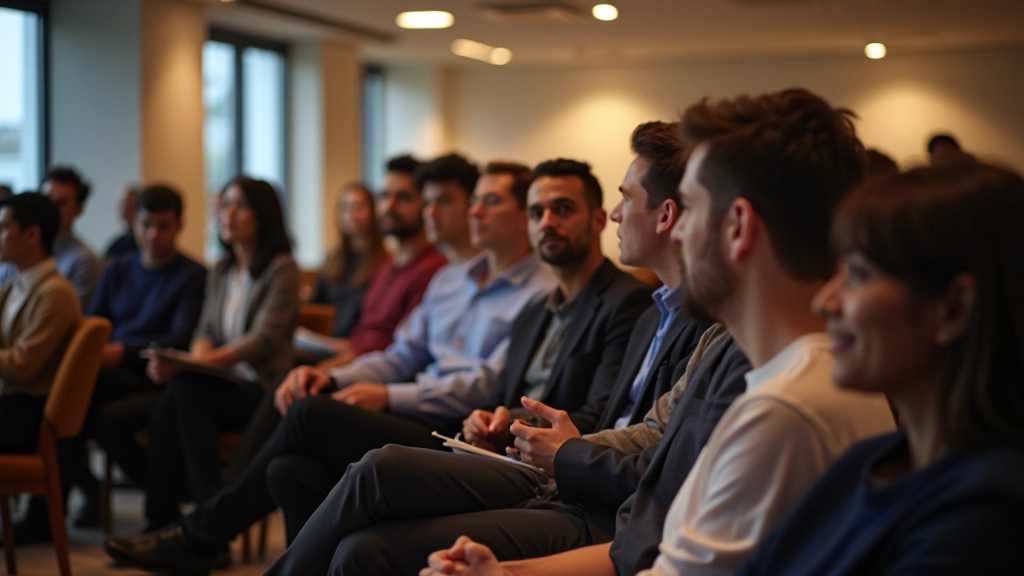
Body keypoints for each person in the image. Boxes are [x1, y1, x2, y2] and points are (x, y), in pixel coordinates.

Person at [420, 88, 897, 576]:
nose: (678, 230)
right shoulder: (764, 363)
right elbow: (648, 550)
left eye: (690, 208)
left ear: (737, 227)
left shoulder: (784, 409)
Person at [265, 122, 722, 575]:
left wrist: (561, 450)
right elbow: (630, 428)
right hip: (554, 464)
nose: (619, 214)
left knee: (365, 472)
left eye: (564, 209)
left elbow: (647, 448)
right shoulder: (636, 314)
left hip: (596, 497)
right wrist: (504, 424)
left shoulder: (652, 310)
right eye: (536, 211)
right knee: (307, 482)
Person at [104, 161, 556, 573]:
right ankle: (212, 533)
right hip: (411, 409)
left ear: (524, 216)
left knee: (307, 412)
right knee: (288, 467)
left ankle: (201, 534)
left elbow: (487, 384)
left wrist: (387, 394)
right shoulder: (451, 279)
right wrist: (333, 375)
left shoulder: (540, 292)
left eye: (490, 201)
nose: (475, 211)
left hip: (460, 430)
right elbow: (401, 354)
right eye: (474, 200)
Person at [735, 162, 1024, 575]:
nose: (825, 302)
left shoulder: (989, 511)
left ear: (954, 308)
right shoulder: (864, 462)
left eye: (858, 274)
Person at [140, 176, 299, 532]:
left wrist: (197, 363)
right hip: (220, 382)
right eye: (226, 204)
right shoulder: (222, 269)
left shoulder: (282, 268)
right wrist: (195, 360)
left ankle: (201, 519)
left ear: (263, 214)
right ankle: (177, 518)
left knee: (185, 391)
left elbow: (263, 340)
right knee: (178, 391)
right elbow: (205, 330)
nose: (228, 213)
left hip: (261, 389)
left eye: (240, 205)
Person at [63, 184, 207, 528]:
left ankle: (67, 499)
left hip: (157, 378)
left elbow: (180, 339)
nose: (153, 234)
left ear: (180, 225)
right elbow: (93, 323)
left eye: (163, 226)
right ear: (134, 223)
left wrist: (125, 352)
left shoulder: (193, 275)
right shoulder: (118, 268)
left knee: (80, 404)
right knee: (75, 403)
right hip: (113, 374)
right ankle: (87, 493)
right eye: (146, 225)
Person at [0, 193, 82, 545]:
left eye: (4, 227)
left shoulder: (56, 293)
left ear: (32, 235)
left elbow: (22, 367)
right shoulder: (14, 285)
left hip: (28, 414)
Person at [300, 182, 388, 349]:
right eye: (345, 208)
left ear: (373, 212)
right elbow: (316, 307)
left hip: (356, 346)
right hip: (324, 341)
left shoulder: (384, 264)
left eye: (358, 207)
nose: (351, 214)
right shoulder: (331, 261)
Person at [41, 166, 103, 309]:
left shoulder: (83, 262)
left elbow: (64, 315)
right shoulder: (20, 251)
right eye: (46, 199)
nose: (51, 208)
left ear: (78, 209)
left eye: (61, 203)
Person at [418, 153, 481, 264]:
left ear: (472, 203)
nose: (431, 213)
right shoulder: (444, 271)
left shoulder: (496, 269)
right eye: (427, 203)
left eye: (444, 201)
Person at [103, 184, 140, 257]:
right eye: (120, 204)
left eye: (128, 205)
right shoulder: (117, 245)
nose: (122, 209)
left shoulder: (142, 242)